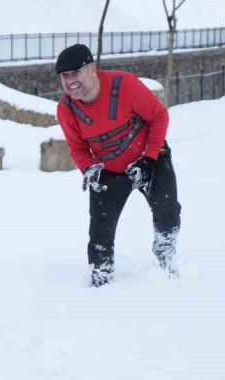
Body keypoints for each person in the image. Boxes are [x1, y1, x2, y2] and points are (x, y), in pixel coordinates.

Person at [53, 43, 182, 286]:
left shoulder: (125, 86)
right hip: (108, 173)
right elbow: (78, 147)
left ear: (92, 69)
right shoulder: (66, 110)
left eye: (75, 73)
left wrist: (149, 157)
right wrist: (89, 167)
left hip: (149, 161)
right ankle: (101, 281)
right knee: (99, 235)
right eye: (64, 76)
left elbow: (158, 116)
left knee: (168, 215)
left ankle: (166, 260)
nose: (70, 81)